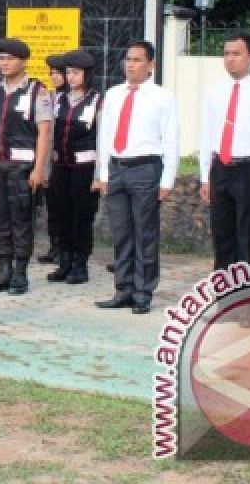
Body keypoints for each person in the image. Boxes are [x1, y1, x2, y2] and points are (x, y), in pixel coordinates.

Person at [94, 40, 179, 315]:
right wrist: (104, 172)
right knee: (121, 232)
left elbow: (171, 140)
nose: (131, 65)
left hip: (145, 168)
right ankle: (123, 289)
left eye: (137, 60)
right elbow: (105, 135)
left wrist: (167, 180)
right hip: (117, 167)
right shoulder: (114, 94)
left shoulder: (162, 97)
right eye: (128, 59)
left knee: (144, 233)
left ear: (151, 65)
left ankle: (143, 291)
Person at [198, 32, 250, 269]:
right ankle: (224, 294)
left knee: (249, 236)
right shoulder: (215, 92)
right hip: (221, 167)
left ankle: (246, 298)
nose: (230, 59)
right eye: (226, 54)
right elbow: (207, 134)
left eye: (236, 54)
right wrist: (205, 176)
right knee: (222, 236)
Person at [0, 38, 53, 296]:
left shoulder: (37, 91)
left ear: (23, 61)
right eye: (2, 59)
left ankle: (20, 273)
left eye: (10, 59)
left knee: (21, 219)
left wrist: (39, 169)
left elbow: (44, 132)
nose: (5, 64)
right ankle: (4, 270)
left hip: (22, 166)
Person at [45, 50, 102, 284]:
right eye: (68, 72)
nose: (71, 77)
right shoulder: (57, 99)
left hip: (84, 169)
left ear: (87, 75)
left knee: (82, 216)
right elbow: (48, 137)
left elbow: (102, 139)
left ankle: (81, 264)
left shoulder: (97, 101)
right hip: (60, 166)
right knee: (60, 214)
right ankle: (64, 261)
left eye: (76, 73)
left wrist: (100, 174)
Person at [39, 54, 68, 264]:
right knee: (53, 207)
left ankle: (65, 249)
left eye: (58, 73)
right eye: (52, 73)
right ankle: (55, 246)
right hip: (50, 159)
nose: (54, 77)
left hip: (66, 159)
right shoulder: (49, 97)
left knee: (64, 207)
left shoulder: (70, 98)